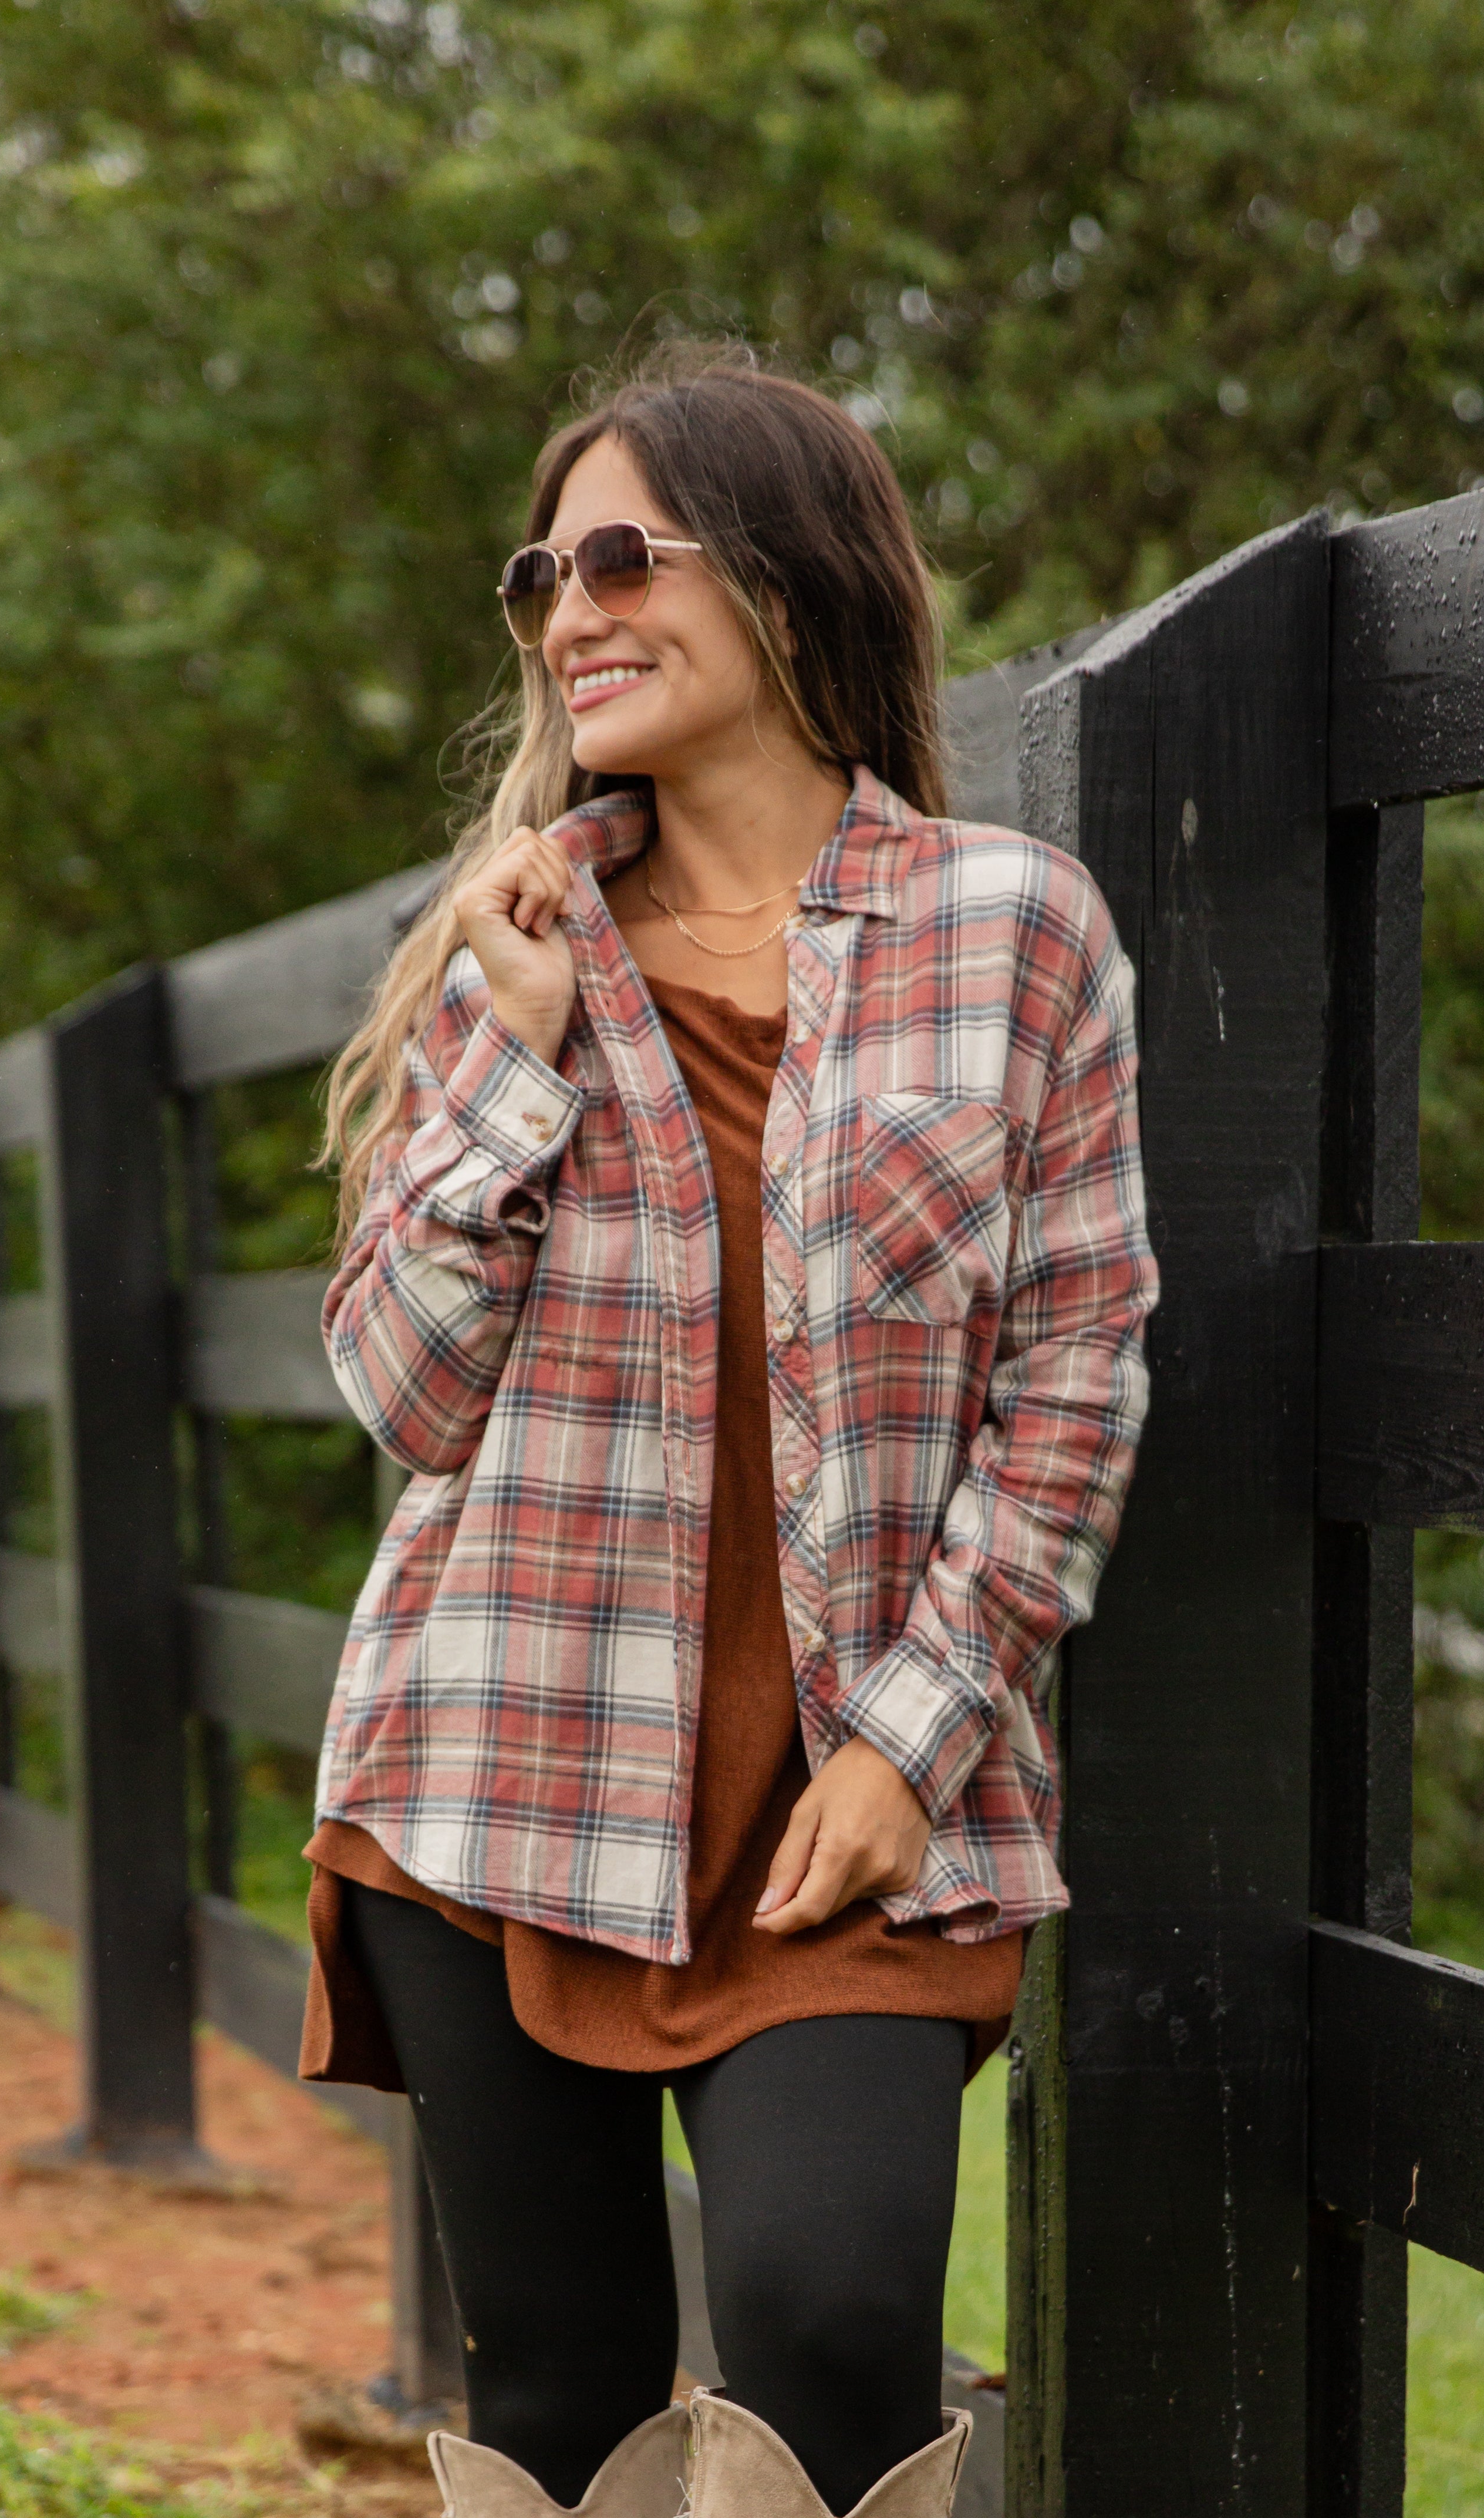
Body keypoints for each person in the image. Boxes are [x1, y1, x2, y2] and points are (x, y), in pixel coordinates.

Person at [299, 347, 1156, 2518]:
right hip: (499, 1775)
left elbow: (1072, 1375)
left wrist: (914, 1737)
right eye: (539, 575)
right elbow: (402, 1397)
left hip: (860, 1792)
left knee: (837, 2324)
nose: (566, 611)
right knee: (563, 2389)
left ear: (786, 579)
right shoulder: (507, 952)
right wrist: (516, 1063)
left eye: (619, 556)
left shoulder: (1010, 932)